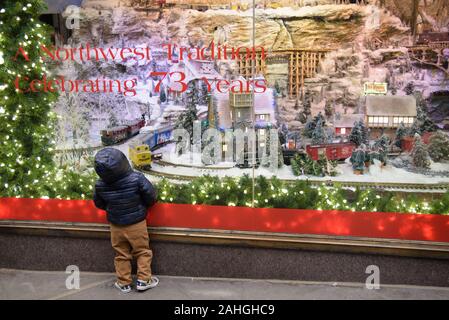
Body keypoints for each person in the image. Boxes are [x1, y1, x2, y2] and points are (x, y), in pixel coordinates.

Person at [93, 148, 158, 293]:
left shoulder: (99, 184)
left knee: (121, 254)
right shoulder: (137, 178)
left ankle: (124, 283)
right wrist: (142, 205)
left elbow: (99, 203)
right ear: (123, 162)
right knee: (142, 251)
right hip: (137, 223)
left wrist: (112, 208)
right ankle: (144, 280)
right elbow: (151, 196)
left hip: (115, 225)